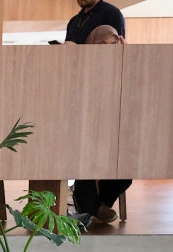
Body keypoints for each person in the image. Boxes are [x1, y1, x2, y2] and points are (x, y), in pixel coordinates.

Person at [71, 24, 131, 224]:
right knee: (85, 165)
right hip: (85, 132)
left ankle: (100, 205)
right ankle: (93, 208)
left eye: (113, 44)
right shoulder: (82, 68)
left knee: (126, 168)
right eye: (102, 44)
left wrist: (126, 54)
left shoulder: (124, 70)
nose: (108, 49)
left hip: (116, 133)